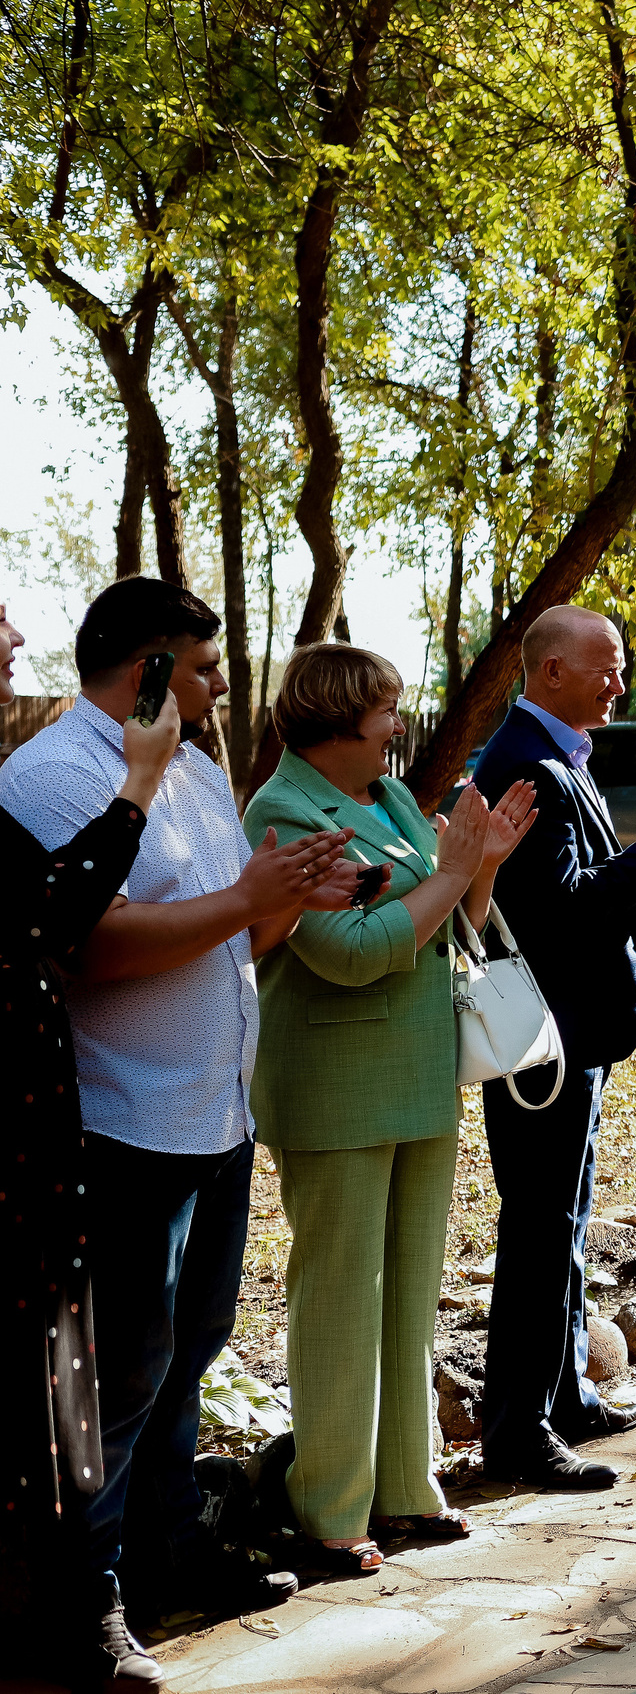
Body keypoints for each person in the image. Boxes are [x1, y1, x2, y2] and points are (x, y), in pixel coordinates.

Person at [0, 578, 358, 1663]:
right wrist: (250, 902)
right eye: (199, 668)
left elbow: (226, 940)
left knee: (188, 1352)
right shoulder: (53, 775)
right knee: (113, 1377)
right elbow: (89, 942)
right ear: (147, 665)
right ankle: (89, 1603)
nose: (217, 686)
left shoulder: (196, 768)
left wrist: (293, 895)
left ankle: (171, 1555)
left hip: (212, 1115)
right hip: (123, 1124)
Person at [242, 644, 539, 1572]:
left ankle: (406, 1489)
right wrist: (444, 878)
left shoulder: (398, 798)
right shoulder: (283, 809)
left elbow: (452, 918)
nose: (400, 725)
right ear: (337, 718)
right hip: (334, 1086)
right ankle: (329, 1511)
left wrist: (479, 864)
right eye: (386, 711)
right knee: (340, 1297)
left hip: (417, 1078)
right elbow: (351, 949)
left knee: (411, 1291)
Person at [472, 606, 636, 1487]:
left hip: (576, 1035)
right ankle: (516, 1430)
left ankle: (564, 1396)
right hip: (541, 1046)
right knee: (540, 1227)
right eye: (607, 668)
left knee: (569, 1220)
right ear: (550, 671)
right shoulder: (523, 763)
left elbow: (597, 890)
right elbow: (566, 911)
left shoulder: (559, 753)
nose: (620, 684)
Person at [0, 601, 181, 1689]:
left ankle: (74, 1613)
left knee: (61, 1391)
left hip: (35, 1143)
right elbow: (48, 919)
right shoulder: (49, 776)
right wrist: (138, 788)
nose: (16, 645)